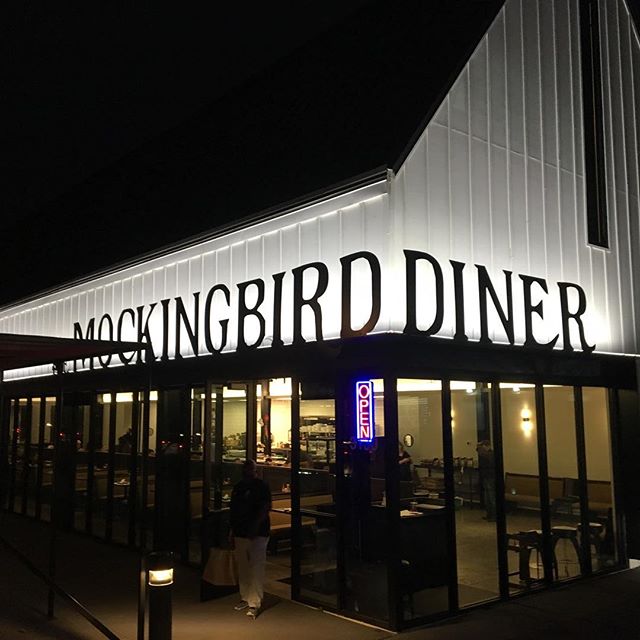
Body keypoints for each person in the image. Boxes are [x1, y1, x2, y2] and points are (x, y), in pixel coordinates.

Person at [229, 459, 272, 619]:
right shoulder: (240, 487)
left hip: (257, 533)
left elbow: (265, 508)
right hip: (243, 531)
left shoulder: (260, 487)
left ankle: (254, 602)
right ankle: (246, 597)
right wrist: (233, 530)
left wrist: (254, 527)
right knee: (245, 566)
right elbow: (234, 510)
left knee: (255, 567)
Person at [476, 440, 496, 521]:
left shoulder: (490, 455)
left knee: (491, 497)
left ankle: (493, 515)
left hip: (490, 477)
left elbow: (490, 466)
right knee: (487, 497)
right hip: (487, 477)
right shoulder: (487, 455)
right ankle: (489, 514)